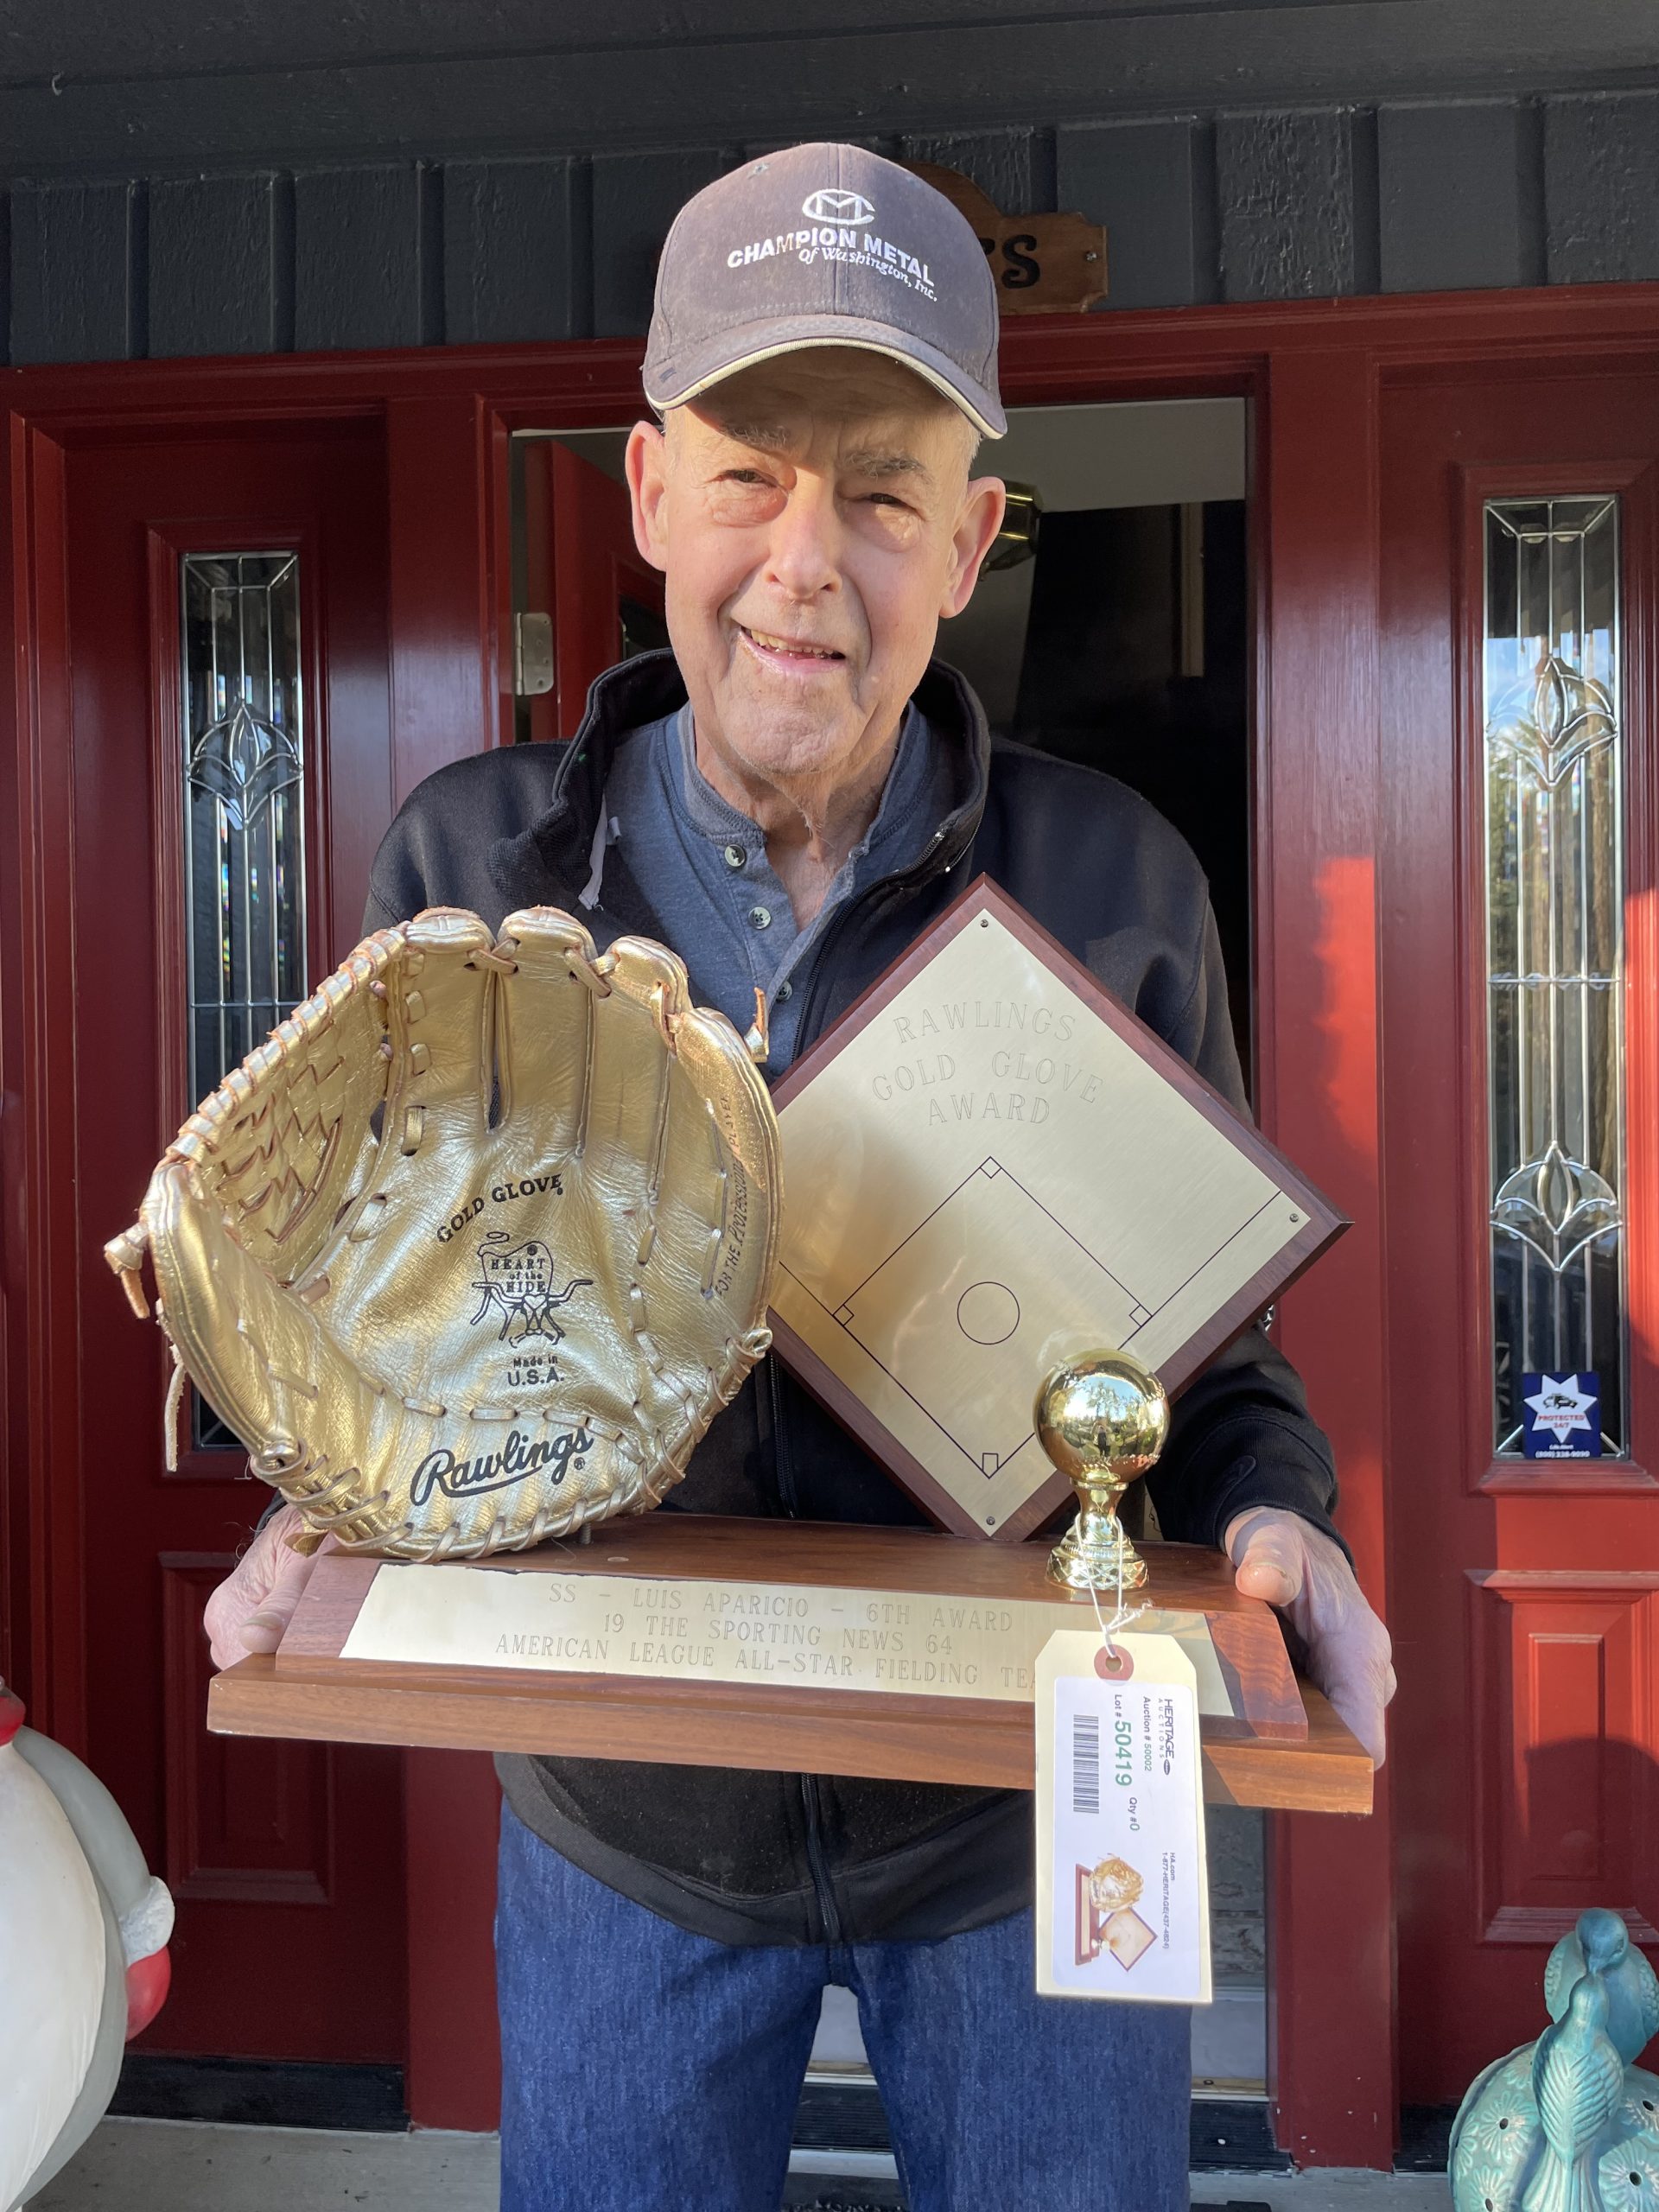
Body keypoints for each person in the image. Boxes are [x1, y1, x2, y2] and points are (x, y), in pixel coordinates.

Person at [206, 143, 1395, 2212]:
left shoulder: (1115, 888)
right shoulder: (475, 881)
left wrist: (1287, 1519)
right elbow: (374, 1318)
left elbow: (1211, 1382)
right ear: (651, 488)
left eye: (880, 489)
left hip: (1023, 1833)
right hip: (625, 1837)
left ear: (973, 535)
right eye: (753, 471)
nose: (805, 558)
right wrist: (315, 1503)